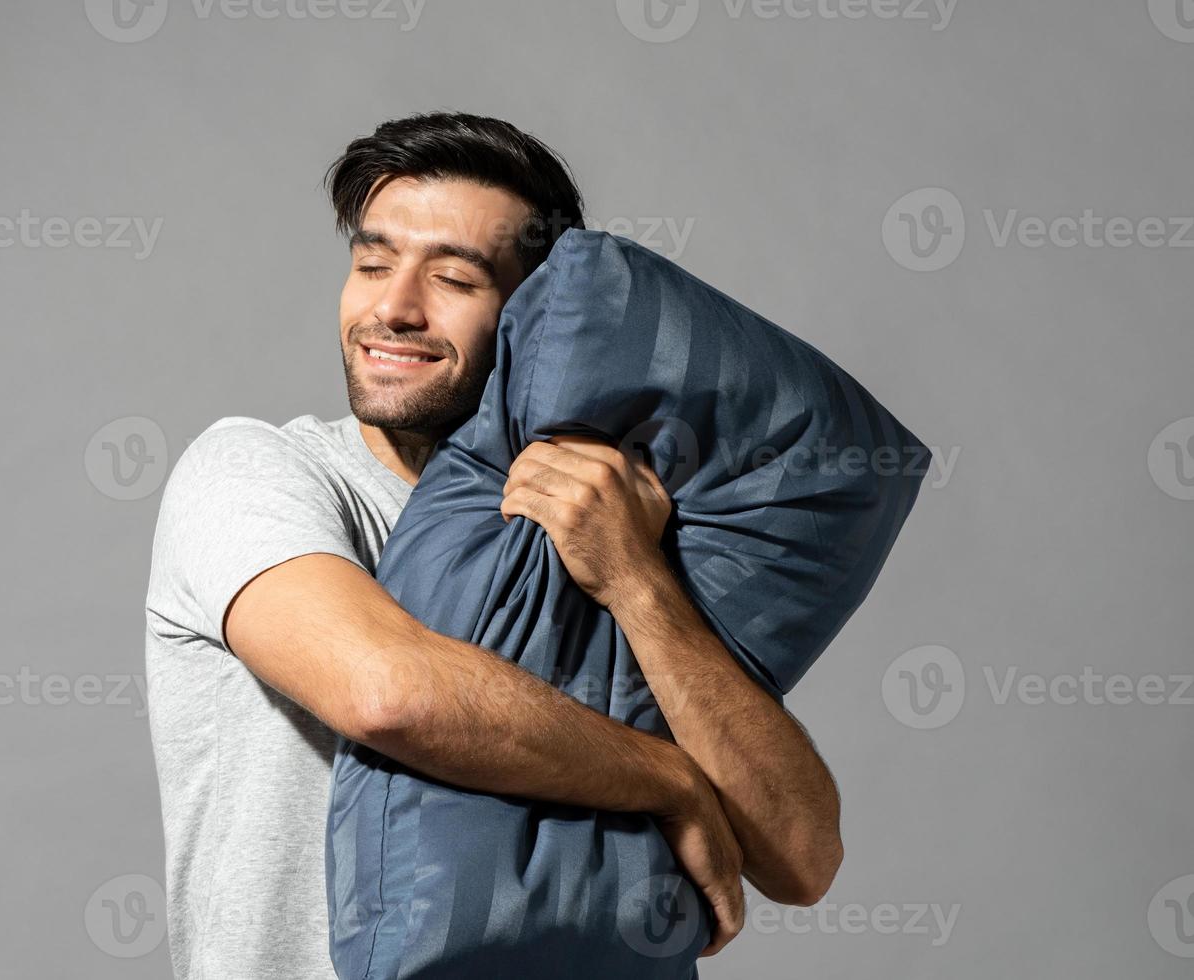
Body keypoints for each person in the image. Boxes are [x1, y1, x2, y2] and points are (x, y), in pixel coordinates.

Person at [144, 111, 844, 980]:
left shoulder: (615, 516)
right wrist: (670, 782)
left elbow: (802, 857)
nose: (393, 309)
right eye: (371, 264)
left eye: (453, 279)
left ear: (533, 317)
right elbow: (385, 692)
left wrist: (637, 582)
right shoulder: (256, 473)